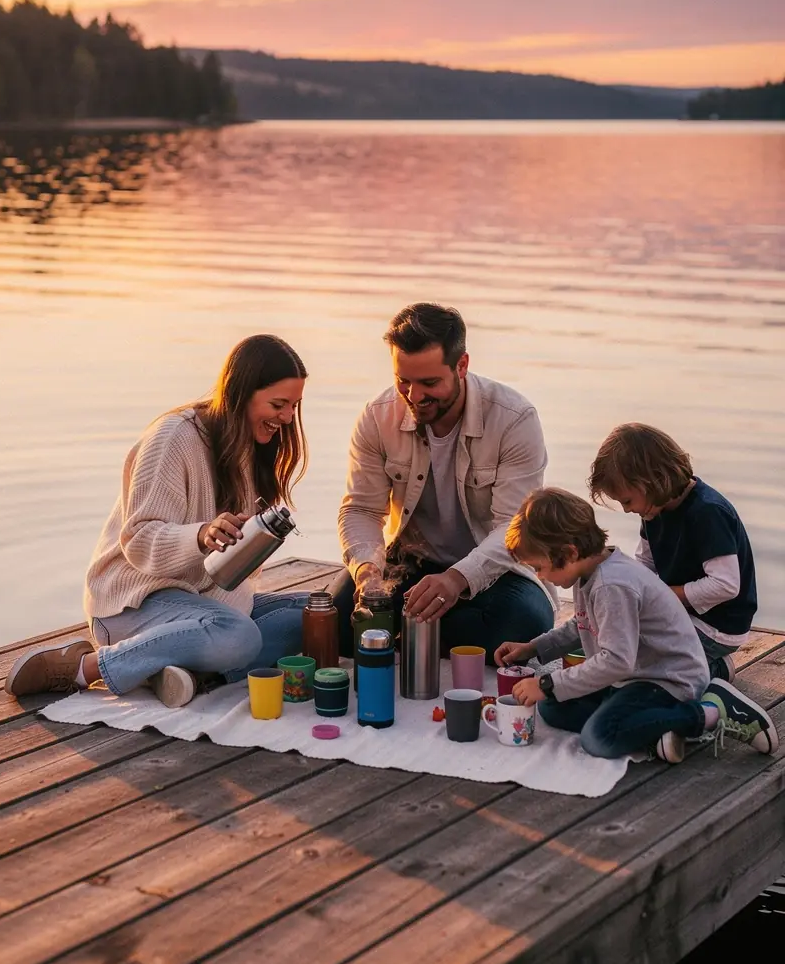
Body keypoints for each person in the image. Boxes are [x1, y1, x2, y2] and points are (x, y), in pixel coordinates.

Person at [5, 335, 311, 708]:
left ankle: (183, 669)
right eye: (278, 405)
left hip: (202, 603)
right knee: (241, 638)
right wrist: (201, 535)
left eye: (294, 406)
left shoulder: (252, 448)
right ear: (241, 393)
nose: (287, 418)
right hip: (133, 604)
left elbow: (225, 573)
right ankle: (83, 667)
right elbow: (139, 538)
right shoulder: (174, 437)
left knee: (316, 614)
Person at [332, 302, 555, 659]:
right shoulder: (377, 417)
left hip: (495, 571)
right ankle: (428, 631)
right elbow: (360, 508)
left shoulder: (515, 419)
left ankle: (412, 632)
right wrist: (367, 571)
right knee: (333, 620)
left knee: (523, 624)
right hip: (409, 562)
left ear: (461, 365)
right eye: (403, 381)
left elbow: (514, 528)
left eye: (429, 383)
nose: (414, 396)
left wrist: (456, 579)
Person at [494, 487, 778, 763]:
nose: (541, 577)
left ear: (568, 553)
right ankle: (655, 732)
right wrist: (533, 648)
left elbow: (617, 661)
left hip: (667, 679)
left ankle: (711, 711)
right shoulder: (588, 572)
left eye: (540, 568)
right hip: (633, 678)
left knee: (598, 738)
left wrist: (546, 681)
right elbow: (580, 626)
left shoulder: (612, 585)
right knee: (552, 706)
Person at [588, 423, 757, 685]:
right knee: (617, 650)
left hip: (716, 626)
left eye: (627, 501)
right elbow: (645, 562)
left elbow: (726, 585)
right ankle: (695, 663)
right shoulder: (654, 508)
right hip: (681, 616)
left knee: (637, 673)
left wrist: (664, 597)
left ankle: (716, 670)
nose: (625, 510)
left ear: (652, 481)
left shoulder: (707, 512)